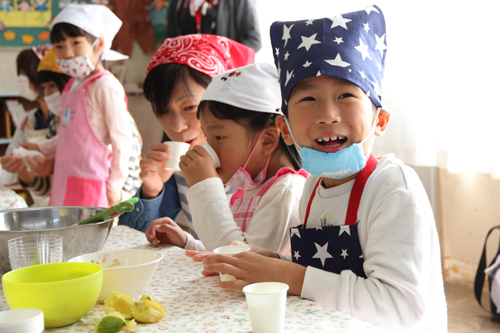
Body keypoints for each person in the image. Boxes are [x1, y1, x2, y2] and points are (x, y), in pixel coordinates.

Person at [194, 6, 447, 331]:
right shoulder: (313, 187)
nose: (327, 114)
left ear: (379, 121)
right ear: (285, 129)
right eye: (308, 100)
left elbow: (399, 308)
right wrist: (277, 263)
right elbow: (326, 277)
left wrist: (288, 275)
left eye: (345, 95)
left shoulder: (394, 189)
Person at [145, 63, 308, 255]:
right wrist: (188, 243)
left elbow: (242, 261)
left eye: (219, 137)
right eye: (207, 136)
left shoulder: (285, 192)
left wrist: (204, 185)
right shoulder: (254, 188)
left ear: (267, 140)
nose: (208, 148)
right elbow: (231, 247)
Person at [118, 34, 255, 234]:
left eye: (190, 107)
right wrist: (151, 191)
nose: (177, 126)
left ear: (225, 99)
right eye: (163, 112)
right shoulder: (181, 167)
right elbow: (134, 236)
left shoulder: (258, 165)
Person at [37, 4, 137, 207]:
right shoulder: (73, 85)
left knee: (87, 235)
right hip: (64, 179)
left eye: (76, 43)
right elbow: (70, 137)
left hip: (91, 182)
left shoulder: (106, 85)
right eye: (59, 46)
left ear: (99, 44)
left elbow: (122, 141)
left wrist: (115, 186)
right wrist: (40, 148)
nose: (68, 53)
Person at [0, 45, 55, 206]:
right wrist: (14, 166)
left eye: (24, 73)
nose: (21, 79)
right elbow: (10, 161)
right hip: (41, 201)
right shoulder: (29, 120)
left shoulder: (67, 118)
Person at [166, 0, 262, 52]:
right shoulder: (177, 3)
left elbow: (253, 41)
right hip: (189, 79)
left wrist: (225, 57)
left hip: (225, 78)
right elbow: (168, 41)